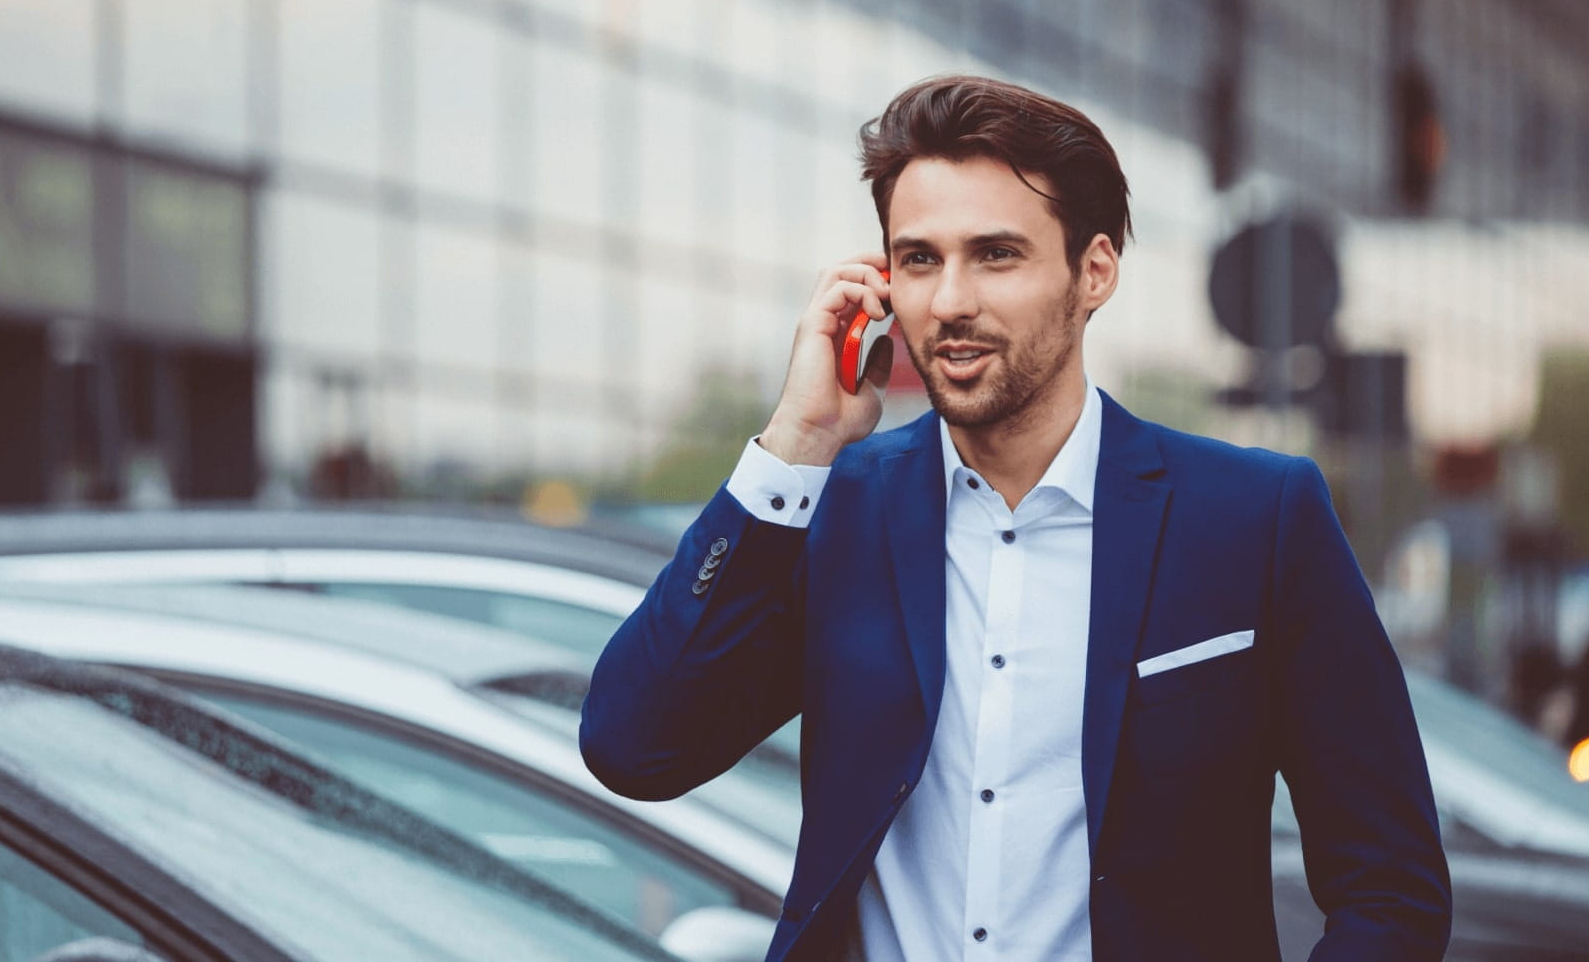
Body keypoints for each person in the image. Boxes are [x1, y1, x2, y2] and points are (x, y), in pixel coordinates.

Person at [581, 76, 1450, 960]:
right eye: (920, 259)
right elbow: (634, 749)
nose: (950, 301)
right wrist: (796, 442)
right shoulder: (834, 509)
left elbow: (1392, 885)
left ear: (1093, 271)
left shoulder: (1255, 520)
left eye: (996, 255)